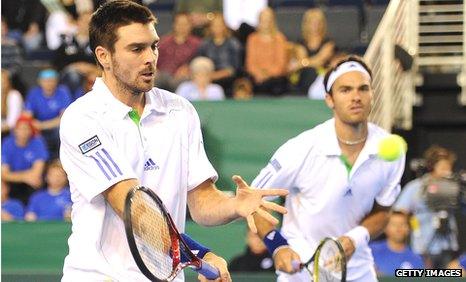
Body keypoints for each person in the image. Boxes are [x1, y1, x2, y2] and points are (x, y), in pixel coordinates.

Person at [59, 2, 288, 281]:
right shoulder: (83, 118)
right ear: (104, 56)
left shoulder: (180, 110)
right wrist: (200, 255)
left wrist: (233, 205)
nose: (151, 58)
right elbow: (136, 210)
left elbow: (201, 201)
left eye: (153, 46)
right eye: (136, 49)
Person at [251, 56, 406, 281]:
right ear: (329, 99)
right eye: (345, 90)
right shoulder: (301, 149)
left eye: (363, 89)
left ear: (372, 94)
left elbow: (383, 211)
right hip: (301, 273)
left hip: (358, 271)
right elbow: (252, 201)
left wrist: (355, 238)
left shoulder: (391, 151)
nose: (356, 97)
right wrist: (278, 246)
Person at [394, 145, 459, 269]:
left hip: (447, 245)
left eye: (449, 167)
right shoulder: (416, 187)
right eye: (444, 167)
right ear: (432, 166)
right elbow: (400, 213)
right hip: (422, 245)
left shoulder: (454, 188)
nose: (448, 171)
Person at [1, 114, 49, 205]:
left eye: (26, 128)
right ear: (15, 130)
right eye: (20, 128)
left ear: (31, 131)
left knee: (37, 181)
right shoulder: (7, 143)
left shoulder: (38, 142)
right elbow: (4, 174)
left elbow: (37, 173)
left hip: (30, 182)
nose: (23, 132)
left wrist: (16, 176)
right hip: (14, 182)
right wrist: (24, 177)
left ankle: (31, 213)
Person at [25, 69, 72, 159]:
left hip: (55, 127)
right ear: (40, 82)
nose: (49, 83)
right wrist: (35, 125)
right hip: (38, 127)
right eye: (46, 81)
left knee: (62, 130)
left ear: (56, 81)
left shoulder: (63, 92)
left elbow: (64, 117)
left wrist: (42, 125)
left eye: (52, 80)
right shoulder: (34, 93)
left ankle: (62, 159)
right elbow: (27, 115)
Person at [290, 8, 336, 93]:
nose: (315, 25)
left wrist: (302, 63)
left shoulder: (328, 43)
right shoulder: (300, 43)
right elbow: (301, 58)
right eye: (312, 22)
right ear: (306, 24)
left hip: (321, 80)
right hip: (304, 78)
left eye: (318, 22)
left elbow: (320, 61)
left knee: (313, 72)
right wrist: (307, 63)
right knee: (308, 71)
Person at [245, 7, 288, 96]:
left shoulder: (280, 38)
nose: (266, 23)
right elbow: (250, 63)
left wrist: (267, 74)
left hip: (275, 78)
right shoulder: (252, 39)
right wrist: (258, 74)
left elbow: (281, 64)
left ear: (273, 21)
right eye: (263, 20)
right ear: (259, 21)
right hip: (256, 78)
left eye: (268, 19)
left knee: (276, 85)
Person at [197, 13, 242, 97]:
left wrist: (216, 75)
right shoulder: (204, 44)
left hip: (228, 78)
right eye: (214, 25)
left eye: (220, 25)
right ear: (210, 27)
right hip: (207, 77)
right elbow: (200, 62)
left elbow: (236, 68)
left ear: (225, 26)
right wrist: (206, 75)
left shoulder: (234, 43)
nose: (217, 28)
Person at [156, 12, 202, 92]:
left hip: (185, 77)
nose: (182, 27)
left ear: (190, 26)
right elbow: (154, 58)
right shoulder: (163, 42)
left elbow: (199, 62)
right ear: (174, 25)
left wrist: (188, 68)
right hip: (163, 76)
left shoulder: (197, 44)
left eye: (185, 24)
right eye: (179, 24)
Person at [370, 211, 424, 277]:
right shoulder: (371, 251)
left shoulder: (416, 259)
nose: (398, 228)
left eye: (402, 224)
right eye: (394, 224)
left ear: (408, 229)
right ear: (385, 228)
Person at [1, 69, 23, 135]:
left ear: (8, 82)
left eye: (2, 81)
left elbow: (12, 123)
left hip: (10, 132)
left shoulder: (14, 95)